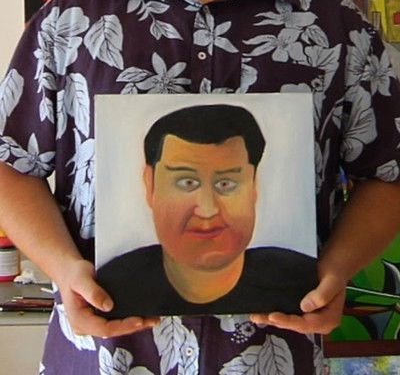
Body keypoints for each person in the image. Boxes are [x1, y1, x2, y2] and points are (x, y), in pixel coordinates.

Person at [0, 0, 399, 375]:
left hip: (274, 357)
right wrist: (62, 267)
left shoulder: (337, 27)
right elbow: (10, 165)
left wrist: (337, 269)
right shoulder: (71, 20)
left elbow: (387, 174)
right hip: (104, 358)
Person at [96, 104, 318, 317]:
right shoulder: (112, 285)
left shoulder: (304, 283)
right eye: (186, 183)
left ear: (254, 186)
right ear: (150, 186)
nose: (207, 210)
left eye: (226, 184)